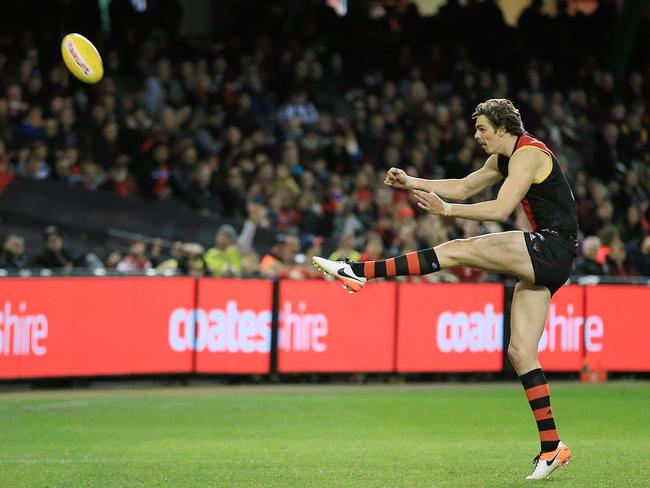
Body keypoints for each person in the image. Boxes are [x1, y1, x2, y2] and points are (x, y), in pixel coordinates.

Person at [313, 99, 576, 480]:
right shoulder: (504, 159)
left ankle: (358, 271)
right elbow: (465, 186)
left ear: (503, 128)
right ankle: (552, 447)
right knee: (521, 352)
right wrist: (411, 182)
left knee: (455, 250)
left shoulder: (528, 154)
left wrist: (447, 211)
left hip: (553, 246)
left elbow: (502, 208)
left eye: (482, 129)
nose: (476, 136)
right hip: (548, 255)